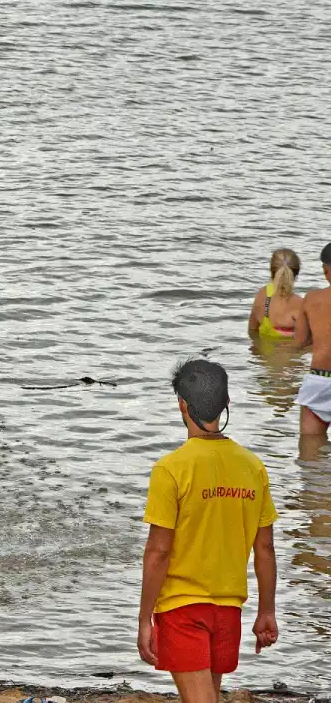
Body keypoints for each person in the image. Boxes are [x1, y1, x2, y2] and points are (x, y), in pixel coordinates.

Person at [137, 359, 278, 703]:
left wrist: (144, 620)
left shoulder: (171, 469)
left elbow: (159, 552)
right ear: (226, 405)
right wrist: (267, 611)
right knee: (209, 696)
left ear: (182, 405)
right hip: (228, 609)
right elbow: (265, 549)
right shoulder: (252, 466)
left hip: (182, 608)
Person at [295, 242, 331, 449]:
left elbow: (299, 342)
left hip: (318, 381)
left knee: (311, 456)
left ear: (325, 270)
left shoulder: (312, 298)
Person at [248, 248, 303, 339]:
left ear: (271, 272)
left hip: (265, 352)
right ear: (296, 275)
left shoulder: (262, 295)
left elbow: (252, 331)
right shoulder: (300, 303)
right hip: (290, 352)